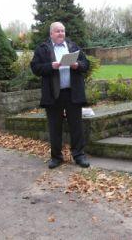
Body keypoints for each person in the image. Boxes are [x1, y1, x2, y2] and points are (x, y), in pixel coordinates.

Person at [30, 22, 90, 169]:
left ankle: (79, 155)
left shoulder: (73, 46)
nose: (61, 34)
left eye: (62, 31)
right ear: (51, 34)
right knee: (54, 127)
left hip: (72, 92)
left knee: (76, 125)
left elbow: (86, 64)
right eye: (57, 31)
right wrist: (51, 66)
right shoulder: (43, 49)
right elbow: (35, 68)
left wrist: (77, 65)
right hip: (53, 94)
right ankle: (56, 157)